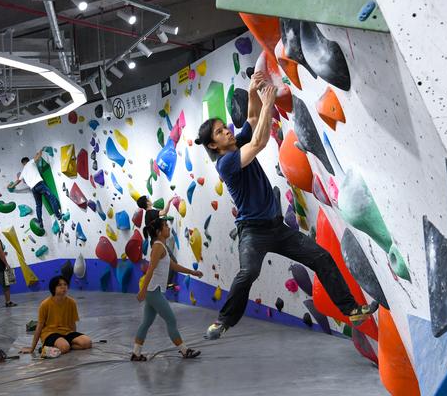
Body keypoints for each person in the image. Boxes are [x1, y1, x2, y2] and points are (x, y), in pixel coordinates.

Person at [195, 72, 377, 340]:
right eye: (220, 132)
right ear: (213, 145)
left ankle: (352, 310)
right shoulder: (226, 163)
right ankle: (223, 321)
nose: (227, 131)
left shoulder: (236, 144)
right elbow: (259, 141)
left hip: (277, 229)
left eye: (225, 127)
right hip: (253, 232)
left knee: (321, 257)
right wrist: (268, 102)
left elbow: (252, 119)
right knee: (249, 272)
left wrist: (252, 90)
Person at [131, 210, 203, 361]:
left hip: (153, 291)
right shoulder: (158, 246)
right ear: (159, 232)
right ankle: (184, 351)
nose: (168, 227)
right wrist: (143, 291)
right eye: (165, 226)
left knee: (146, 322)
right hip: (153, 291)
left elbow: (173, 266)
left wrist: (193, 272)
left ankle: (136, 354)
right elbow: (150, 269)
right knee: (171, 320)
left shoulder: (161, 247)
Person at [20, 276, 92, 356]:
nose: (63, 287)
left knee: (87, 343)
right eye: (59, 285)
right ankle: (45, 348)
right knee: (64, 347)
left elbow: (72, 323)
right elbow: (39, 326)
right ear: (53, 289)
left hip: (67, 332)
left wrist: (73, 338)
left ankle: (60, 347)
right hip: (50, 333)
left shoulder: (72, 302)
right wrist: (32, 348)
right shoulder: (45, 304)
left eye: (65, 284)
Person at [8, 149, 62, 230]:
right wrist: (41, 150)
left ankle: (40, 222)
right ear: (27, 161)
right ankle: (58, 216)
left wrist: (11, 186)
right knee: (51, 198)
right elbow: (38, 156)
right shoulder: (31, 162)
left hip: (33, 189)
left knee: (38, 205)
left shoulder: (23, 172)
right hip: (40, 184)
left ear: (22, 164)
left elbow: (17, 181)